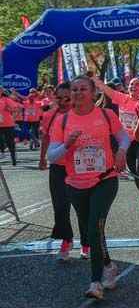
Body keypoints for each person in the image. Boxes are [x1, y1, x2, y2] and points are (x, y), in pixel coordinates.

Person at [47, 75, 130, 300]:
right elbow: (51, 156)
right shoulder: (62, 121)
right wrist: (67, 144)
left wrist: (122, 150)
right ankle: (109, 266)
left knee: (94, 227)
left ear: (94, 93)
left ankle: (96, 282)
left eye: (83, 89)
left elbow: (124, 137)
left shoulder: (106, 114)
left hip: (105, 179)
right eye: (75, 89)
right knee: (94, 230)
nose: (78, 93)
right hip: (75, 183)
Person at [38, 83, 88, 261]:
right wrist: (42, 157)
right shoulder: (50, 115)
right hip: (58, 167)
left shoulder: (83, 114)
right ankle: (66, 240)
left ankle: (86, 243)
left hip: (79, 166)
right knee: (60, 206)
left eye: (67, 98)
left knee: (82, 207)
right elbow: (46, 137)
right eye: (59, 98)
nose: (63, 102)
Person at [92, 75, 139, 208]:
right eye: (131, 84)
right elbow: (106, 90)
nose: (133, 86)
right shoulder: (123, 99)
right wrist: (94, 79)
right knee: (134, 171)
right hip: (127, 142)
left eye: (137, 85)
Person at [0, 89, 20, 164]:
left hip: (8, 124)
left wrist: (10, 109)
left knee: (10, 142)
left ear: (1, 91)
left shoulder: (6, 99)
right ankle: (2, 152)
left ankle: (13, 156)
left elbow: (17, 109)